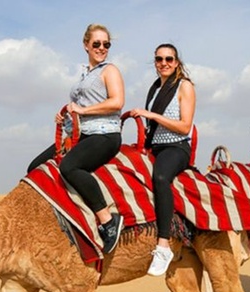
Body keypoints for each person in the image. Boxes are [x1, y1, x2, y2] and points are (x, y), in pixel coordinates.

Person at [27, 24, 125, 253]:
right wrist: (65, 116)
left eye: (106, 44)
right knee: (34, 167)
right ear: (86, 45)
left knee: (70, 167)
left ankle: (107, 219)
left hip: (105, 134)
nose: (102, 48)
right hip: (80, 134)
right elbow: (81, 106)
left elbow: (117, 102)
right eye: (97, 44)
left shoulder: (109, 70)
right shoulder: (85, 74)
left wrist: (81, 111)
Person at [129, 43, 196, 276]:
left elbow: (185, 125)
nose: (164, 63)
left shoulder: (184, 86)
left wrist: (152, 115)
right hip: (155, 147)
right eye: (159, 59)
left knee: (159, 176)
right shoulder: (155, 88)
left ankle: (164, 244)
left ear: (176, 62)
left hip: (176, 147)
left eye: (169, 59)